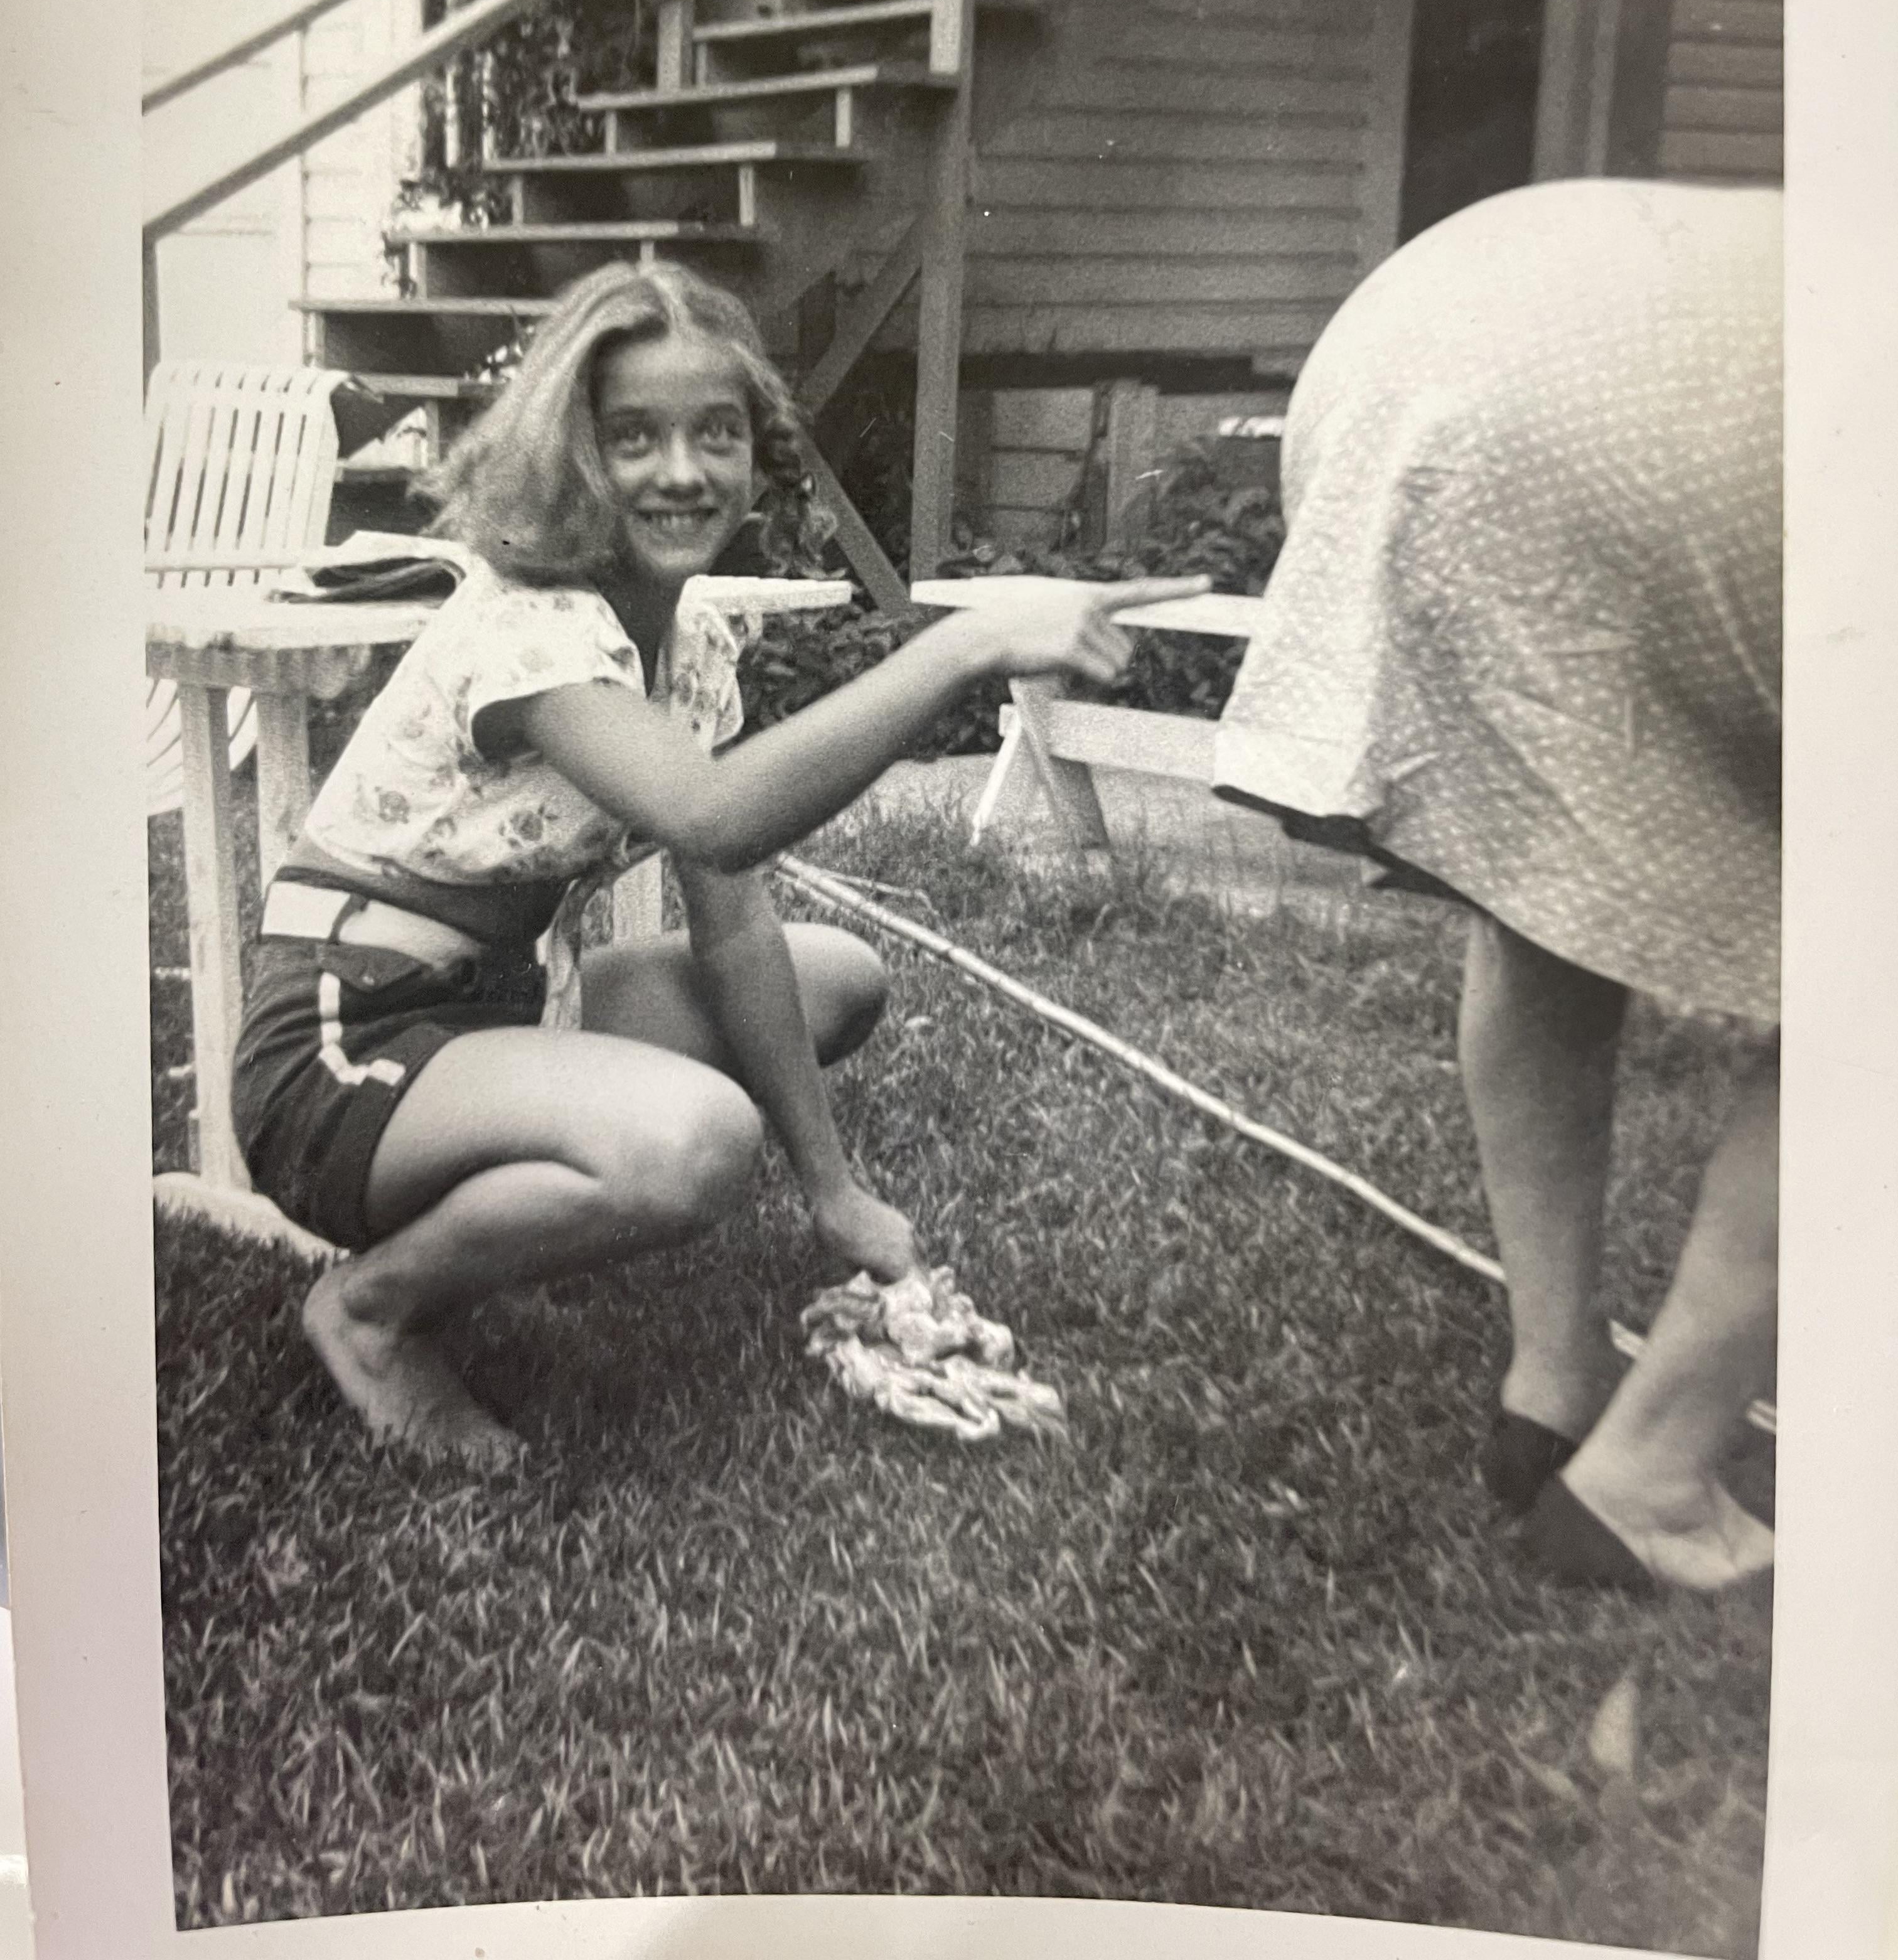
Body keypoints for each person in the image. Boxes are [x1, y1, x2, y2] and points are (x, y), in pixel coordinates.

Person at [233, 259, 1204, 1465]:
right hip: (345, 1041)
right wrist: (961, 648)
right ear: (571, 452)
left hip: (502, 1010)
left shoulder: (687, 646)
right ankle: (372, 1309)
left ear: (758, 451)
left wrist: (834, 1190)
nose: (682, 471)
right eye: (633, 437)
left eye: (717, 434)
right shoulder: (529, 629)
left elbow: (734, 923)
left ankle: (500, 1208)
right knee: (697, 1142)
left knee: (835, 977)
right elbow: (716, 818)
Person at [1213, 179, 1781, 1593]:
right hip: (1718, 407)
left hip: (1439, 315)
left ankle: (1553, 1386)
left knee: (1545, 872)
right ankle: (1653, 1477)